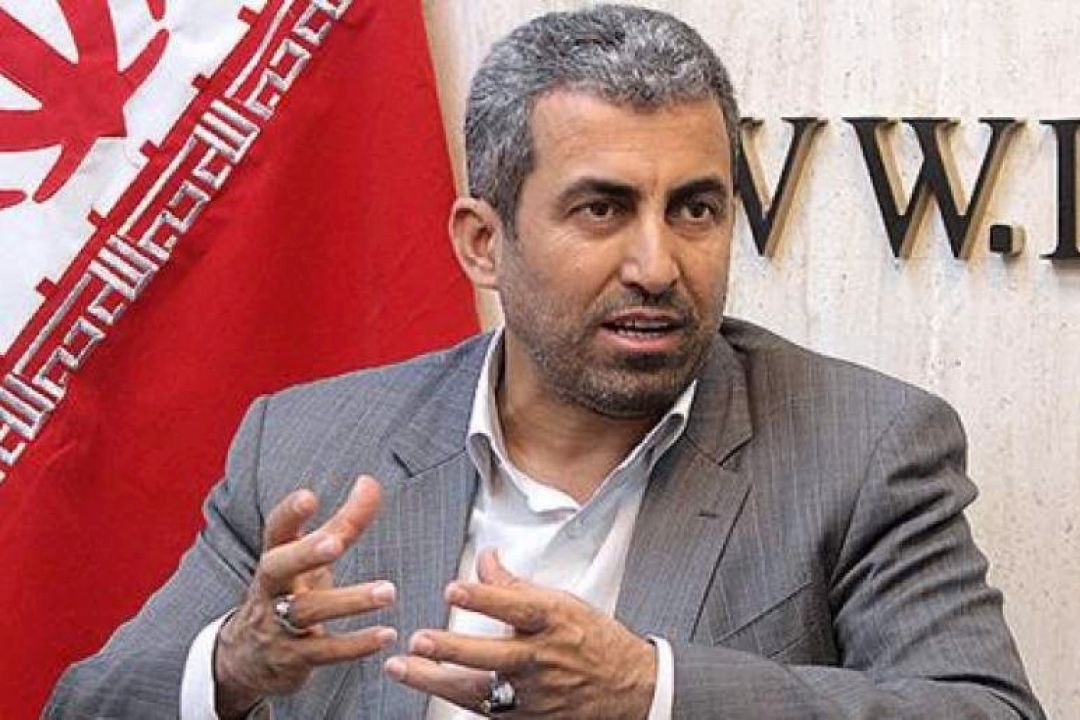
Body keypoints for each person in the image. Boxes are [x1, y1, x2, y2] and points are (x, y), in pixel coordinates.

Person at [47, 4, 1043, 719]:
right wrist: (234, 663)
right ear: (484, 243)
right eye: (602, 208)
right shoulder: (307, 446)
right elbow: (86, 706)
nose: (658, 264)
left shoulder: (861, 447)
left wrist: (649, 691)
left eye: (695, 208)